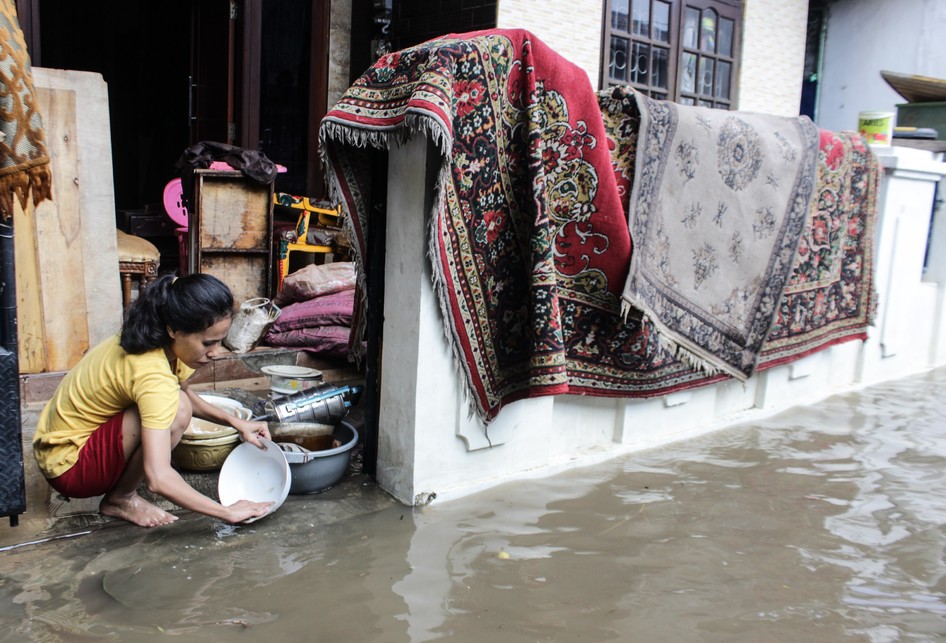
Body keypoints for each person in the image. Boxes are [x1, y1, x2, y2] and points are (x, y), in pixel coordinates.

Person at [32, 273, 273, 527]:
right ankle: (121, 499)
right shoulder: (152, 374)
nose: (215, 353)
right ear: (174, 330)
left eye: (220, 341)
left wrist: (236, 422)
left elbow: (183, 392)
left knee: (177, 401)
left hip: (61, 446)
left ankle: (119, 494)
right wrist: (227, 512)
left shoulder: (153, 336)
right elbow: (158, 478)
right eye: (207, 343)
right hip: (70, 467)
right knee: (177, 410)